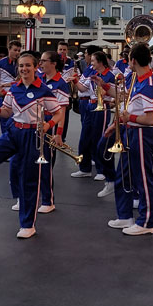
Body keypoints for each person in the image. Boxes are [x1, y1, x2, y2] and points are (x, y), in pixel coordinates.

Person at [0, 53, 60, 239]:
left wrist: (48, 125)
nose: (24, 69)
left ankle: (27, 225)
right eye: (21, 66)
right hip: (14, 131)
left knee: (28, 181)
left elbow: (57, 113)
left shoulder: (44, 90)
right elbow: (6, 112)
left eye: (28, 65)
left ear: (35, 67)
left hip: (33, 136)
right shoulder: (14, 89)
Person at [105, 44, 153, 235]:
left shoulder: (149, 84)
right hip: (130, 131)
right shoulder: (135, 78)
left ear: (133, 61)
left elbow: (152, 119)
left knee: (143, 179)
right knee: (122, 175)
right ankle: (124, 216)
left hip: (141, 133)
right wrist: (103, 86)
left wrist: (130, 118)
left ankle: (146, 222)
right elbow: (122, 96)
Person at [37, 51, 70, 213]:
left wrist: (58, 133)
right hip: (36, 126)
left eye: (44, 61)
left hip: (50, 126)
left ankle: (47, 201)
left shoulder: (61, 84)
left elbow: (61, 112)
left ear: (53, 64)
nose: (40, 64)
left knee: (46, 167)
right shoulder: (39, 79)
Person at [89, 51, 119, 197]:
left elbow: (117, 97)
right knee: (98, 143)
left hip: (130, 120)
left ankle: (107, 176)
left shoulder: (112, 75)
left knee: (103, 145)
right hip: (97, 107)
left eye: (94, 60)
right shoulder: (97, 74)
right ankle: (111, 180)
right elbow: (119, 94)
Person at [70, 50, 98, 179]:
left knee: (94, 137)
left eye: (92, 59)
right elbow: (83, 87)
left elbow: (84, 88)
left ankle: (100, 168)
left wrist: (75, 81)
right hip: (88, 103)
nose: (86, 57)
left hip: (94, 104)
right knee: (87, 136)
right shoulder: (89, 70)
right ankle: (87, 165)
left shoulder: (101, 73)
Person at [0, 41, 21, 146]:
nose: (17, 53)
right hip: (5, 97)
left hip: (18, 96)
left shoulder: (20, 63)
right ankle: (6, 145)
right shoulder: (0, 63)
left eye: (19, 50)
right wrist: (1, 92)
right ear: (9, 50)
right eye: (15, 50)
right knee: (5, 122)